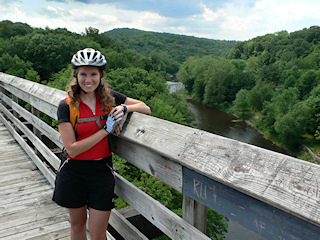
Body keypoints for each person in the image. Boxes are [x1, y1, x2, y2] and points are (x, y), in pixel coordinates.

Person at [52, 48, 151, 240]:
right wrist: (105, 130)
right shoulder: (66, 106)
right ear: (76, 75)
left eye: (93, 74)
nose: (88, 80)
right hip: (73, 171)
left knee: (98, 233)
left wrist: (123, 107)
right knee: (78, 226)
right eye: (83, 74)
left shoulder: (108, 97)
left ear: (100, 75)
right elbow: (72, 147)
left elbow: (145, 108)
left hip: (101, 170)